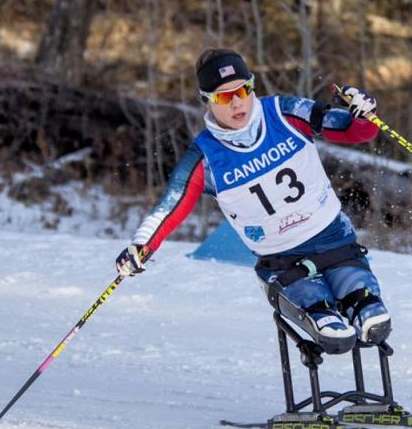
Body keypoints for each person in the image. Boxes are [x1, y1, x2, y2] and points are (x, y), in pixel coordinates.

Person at [116, 48, 390, 354]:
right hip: (282, 263)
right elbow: (171, 205)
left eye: (242, 90)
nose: (236, 102)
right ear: (206, 100)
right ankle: (319, 313)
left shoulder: (286, 112)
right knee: (330, 329)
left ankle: (359, 303)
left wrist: (363, 111)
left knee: (371, 316)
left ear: (252, 87)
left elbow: (354, 132)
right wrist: (143, 245)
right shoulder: (205, 157)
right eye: (223, 97)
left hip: (335, 241)